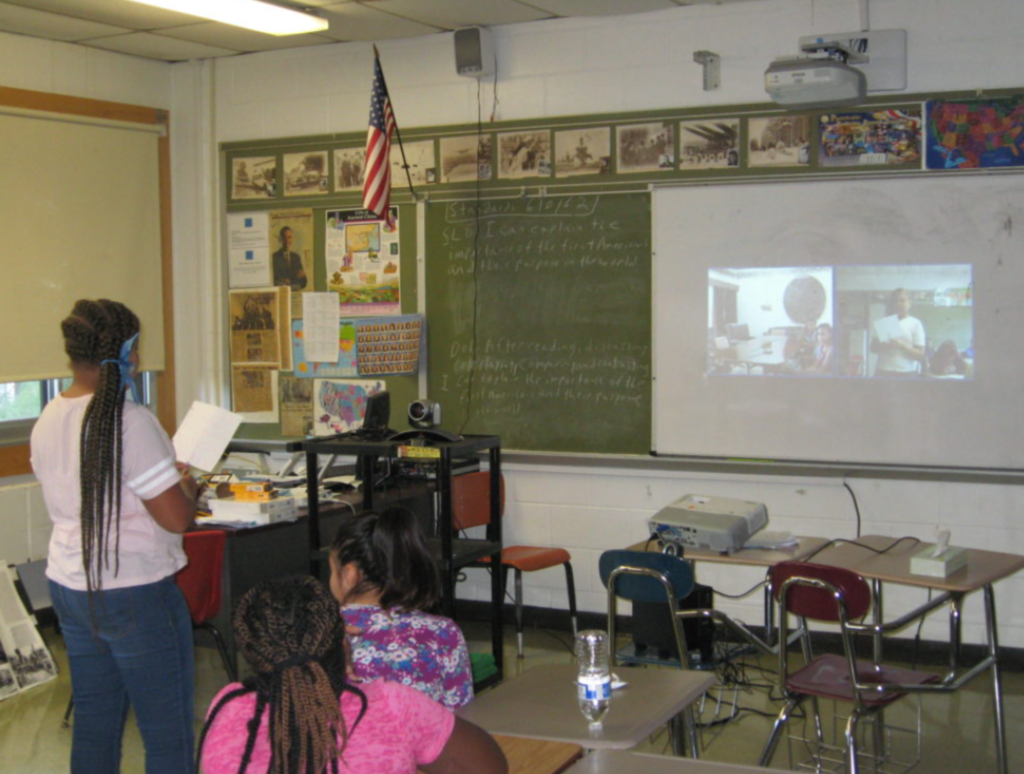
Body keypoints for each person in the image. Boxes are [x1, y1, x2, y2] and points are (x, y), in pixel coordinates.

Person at [30, 299, 199, 774]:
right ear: (126, 352)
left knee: (96, 725)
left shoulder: (48, 416)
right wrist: (187, 485)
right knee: (167, 735)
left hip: (70, 585)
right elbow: (175, 520)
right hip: (136, 591)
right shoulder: (132, 421)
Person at [198, 576, 507, 774]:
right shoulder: (388, 704)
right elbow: (489, 766)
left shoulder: (228, 708)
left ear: (252, 651)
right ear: (343, 640)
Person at [328, 508, 474, 710]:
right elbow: (461, 715)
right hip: (426, 740)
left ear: (349, 574)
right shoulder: (443, 633)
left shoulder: (320, 635)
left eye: (332, 571)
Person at [871, 288, 926, 377]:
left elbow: (920, 355)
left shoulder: (915, 323)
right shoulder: (885, 322)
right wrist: (885, 345)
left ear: (909, 303)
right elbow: (873, 348)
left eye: (902, 301)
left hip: (906, 372)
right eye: (895, 301)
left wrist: (901, 345)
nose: (898, 304)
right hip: (883, 370)